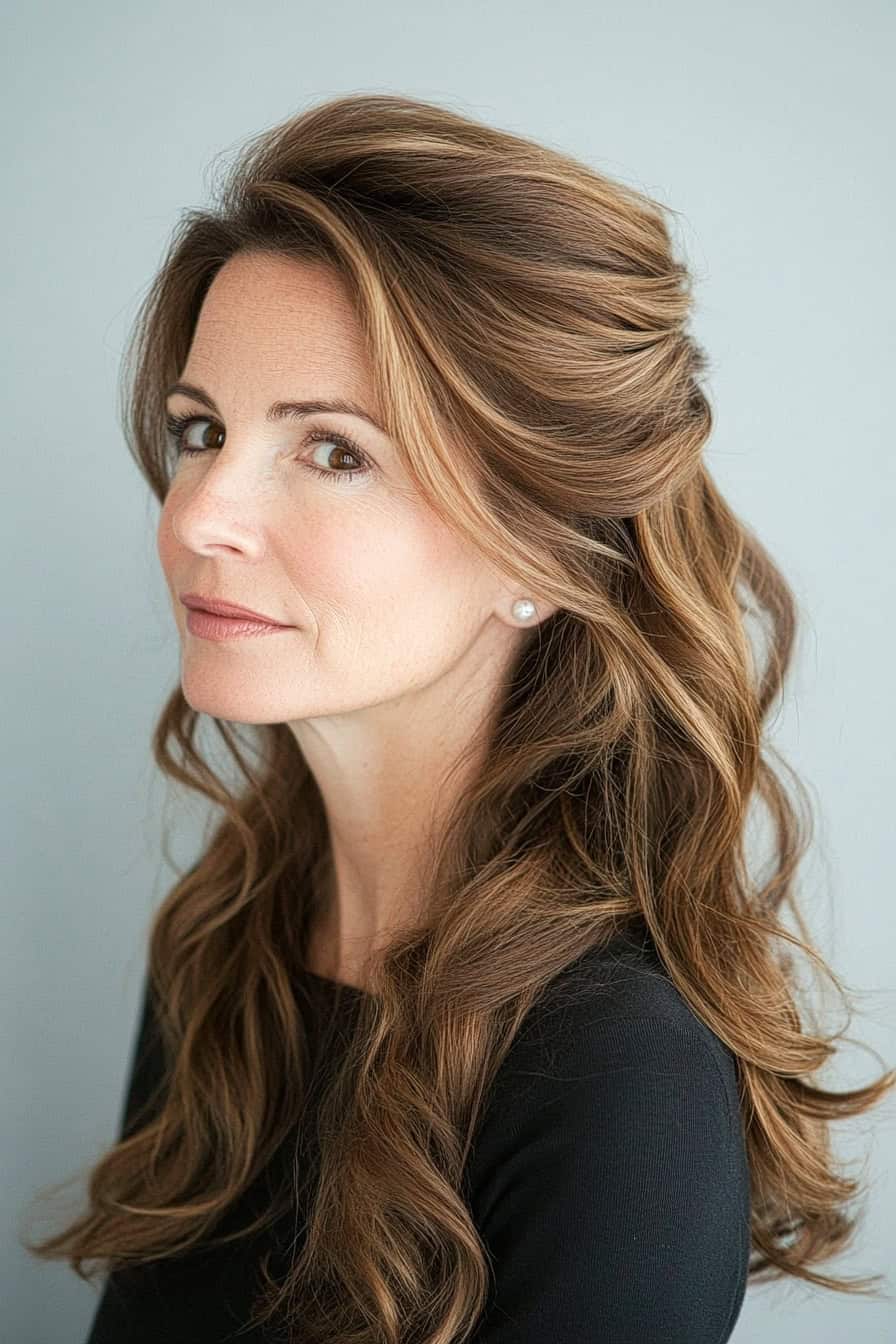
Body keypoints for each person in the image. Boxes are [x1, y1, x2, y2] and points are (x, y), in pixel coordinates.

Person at [22, 92, 894, 1344]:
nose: (198, 515)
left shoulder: (614, 1080)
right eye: (200, 431)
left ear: (539, 546)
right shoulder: (231, 947)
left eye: (333, 452)